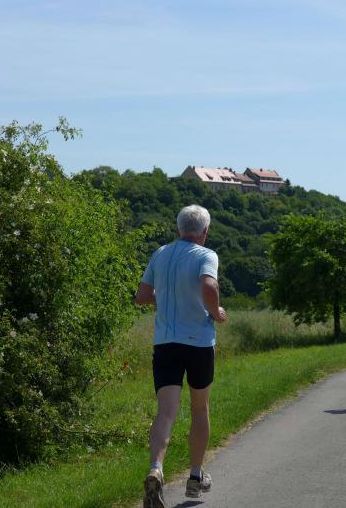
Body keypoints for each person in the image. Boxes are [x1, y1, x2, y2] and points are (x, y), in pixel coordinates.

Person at [135, 205, 228, 508]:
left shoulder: (160, 254)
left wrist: (168, 297)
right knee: (199, 409)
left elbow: (142, 296)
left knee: (166, 412)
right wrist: (216, 312)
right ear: (205, 231)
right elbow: (209, 285)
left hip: (166, 343)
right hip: (199, 343)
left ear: (178, 229)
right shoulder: (206, 255)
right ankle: (195, 476)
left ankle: (156, 468)